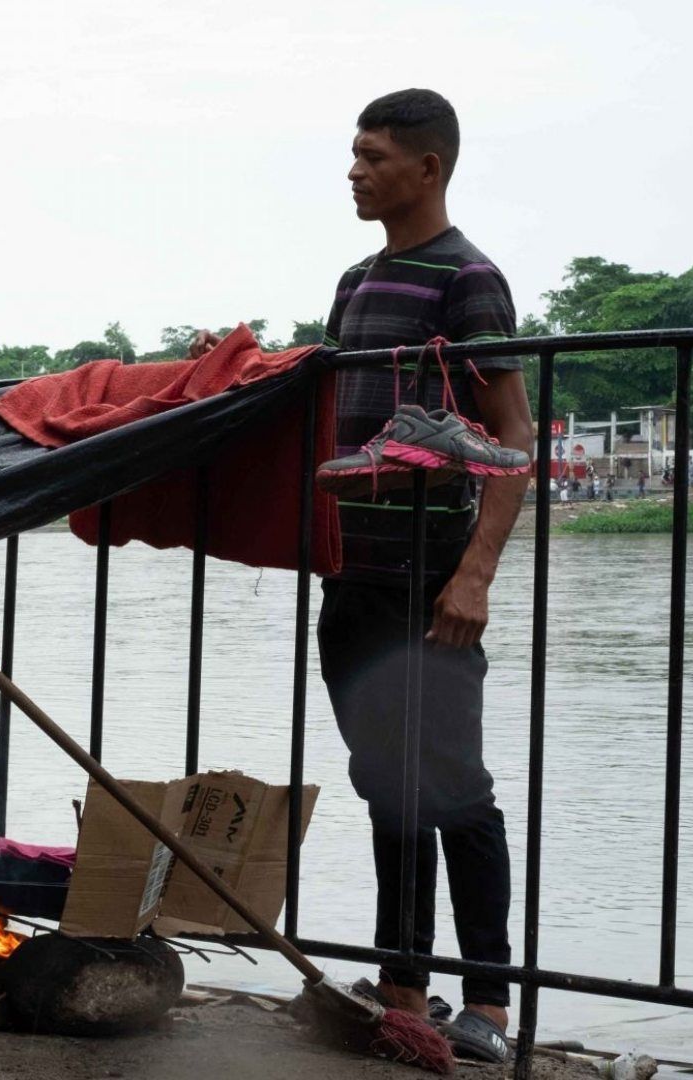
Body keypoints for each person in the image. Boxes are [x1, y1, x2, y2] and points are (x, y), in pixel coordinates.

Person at [191, 88, 528, 1063]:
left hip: (431, 581)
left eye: (374, 155)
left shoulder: (470, 281)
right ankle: (405, 992)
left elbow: (511, 441)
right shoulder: (354, 282)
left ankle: (494, 1007)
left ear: (428, 168)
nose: (355, 170)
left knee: (455, 789)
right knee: (388, 788)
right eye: (353, 153)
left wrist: (473, 578)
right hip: (355, 579)